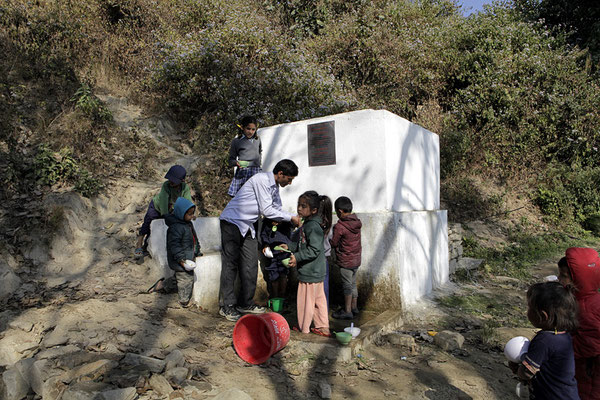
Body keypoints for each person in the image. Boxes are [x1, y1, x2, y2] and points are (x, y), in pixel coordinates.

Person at [219, 159, 301, 321]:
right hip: (233, 221)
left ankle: (246, 303)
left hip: (248, 225)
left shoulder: (274, 188)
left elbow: (276, 209)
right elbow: (267, 210)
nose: (290, 183)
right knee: (231, 264)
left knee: (250, 264)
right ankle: (226, 306)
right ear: (280, 174)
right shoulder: (261, 180)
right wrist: (291, 218)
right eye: (289, 179)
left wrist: (287, 218)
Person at [508, 281, 580, 400]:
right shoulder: (564, 335)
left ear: (543, 315)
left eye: (530, 308)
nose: (527, 311)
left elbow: (527, 372)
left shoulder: (543, 341)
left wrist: (519, 367)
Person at [286, 190, 332, 336]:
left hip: (310, 272)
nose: (299, 209)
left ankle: (303, 328)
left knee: (305, 302)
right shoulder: (308, 225)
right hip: (316, 271)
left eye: (303, 206)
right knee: (319, 301)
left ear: (314, 210)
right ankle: (322, 327)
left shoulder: (312, 227)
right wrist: (289, 247)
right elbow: (303, 245)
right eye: (299, 205)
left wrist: (296, 257)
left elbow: (313, 250)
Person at [558, 248, 600, 400]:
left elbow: (590, 344)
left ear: (579, 279)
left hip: (590, 372)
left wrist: (558, 348)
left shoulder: (586, 309)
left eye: (563, 276)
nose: (559, 279)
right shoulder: (588, 300)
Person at [135, 165, 191, 258]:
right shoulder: (166, 186)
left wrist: (187, 215)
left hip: (170, 210)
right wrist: (165, 215)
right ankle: (139, 243)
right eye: (170, 179)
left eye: (174, 180)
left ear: (182, 181)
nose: (171, 182)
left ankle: (147, 246)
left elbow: (187, 202)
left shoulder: (185, 188)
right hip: (156, 207)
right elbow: (163, 202)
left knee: (156, 229)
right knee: (147, 224)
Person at [330, 196, 362, 320]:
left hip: (345, 261)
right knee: (353, 284)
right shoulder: (356, 222)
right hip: (356, 260)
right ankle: (354, 308)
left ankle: (347, 311)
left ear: (339, 211)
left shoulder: (340, 226)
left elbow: (334, 242)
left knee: (347, 286)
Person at [227, 116, 262, 197]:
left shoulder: (258, 140)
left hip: (256, 172)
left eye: (253, 129)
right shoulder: (236, 141)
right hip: (243, 172)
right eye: (248, 129)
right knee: (240, 197)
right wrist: (236, 163)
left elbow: (260, 152)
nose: (251, 132)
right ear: (242, 127)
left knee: (255, 196)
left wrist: (258, 164)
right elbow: (231, 160)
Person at [260, 218, 294, 299]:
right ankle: (275, 297)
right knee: (273, 276)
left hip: (284, 252)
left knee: (283, 274)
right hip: (272, 253)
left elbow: (292, 228)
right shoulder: (267, 222)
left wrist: (287, 245)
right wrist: (266, 245)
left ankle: (282, 297)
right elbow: (263, 234)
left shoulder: (287, 220)